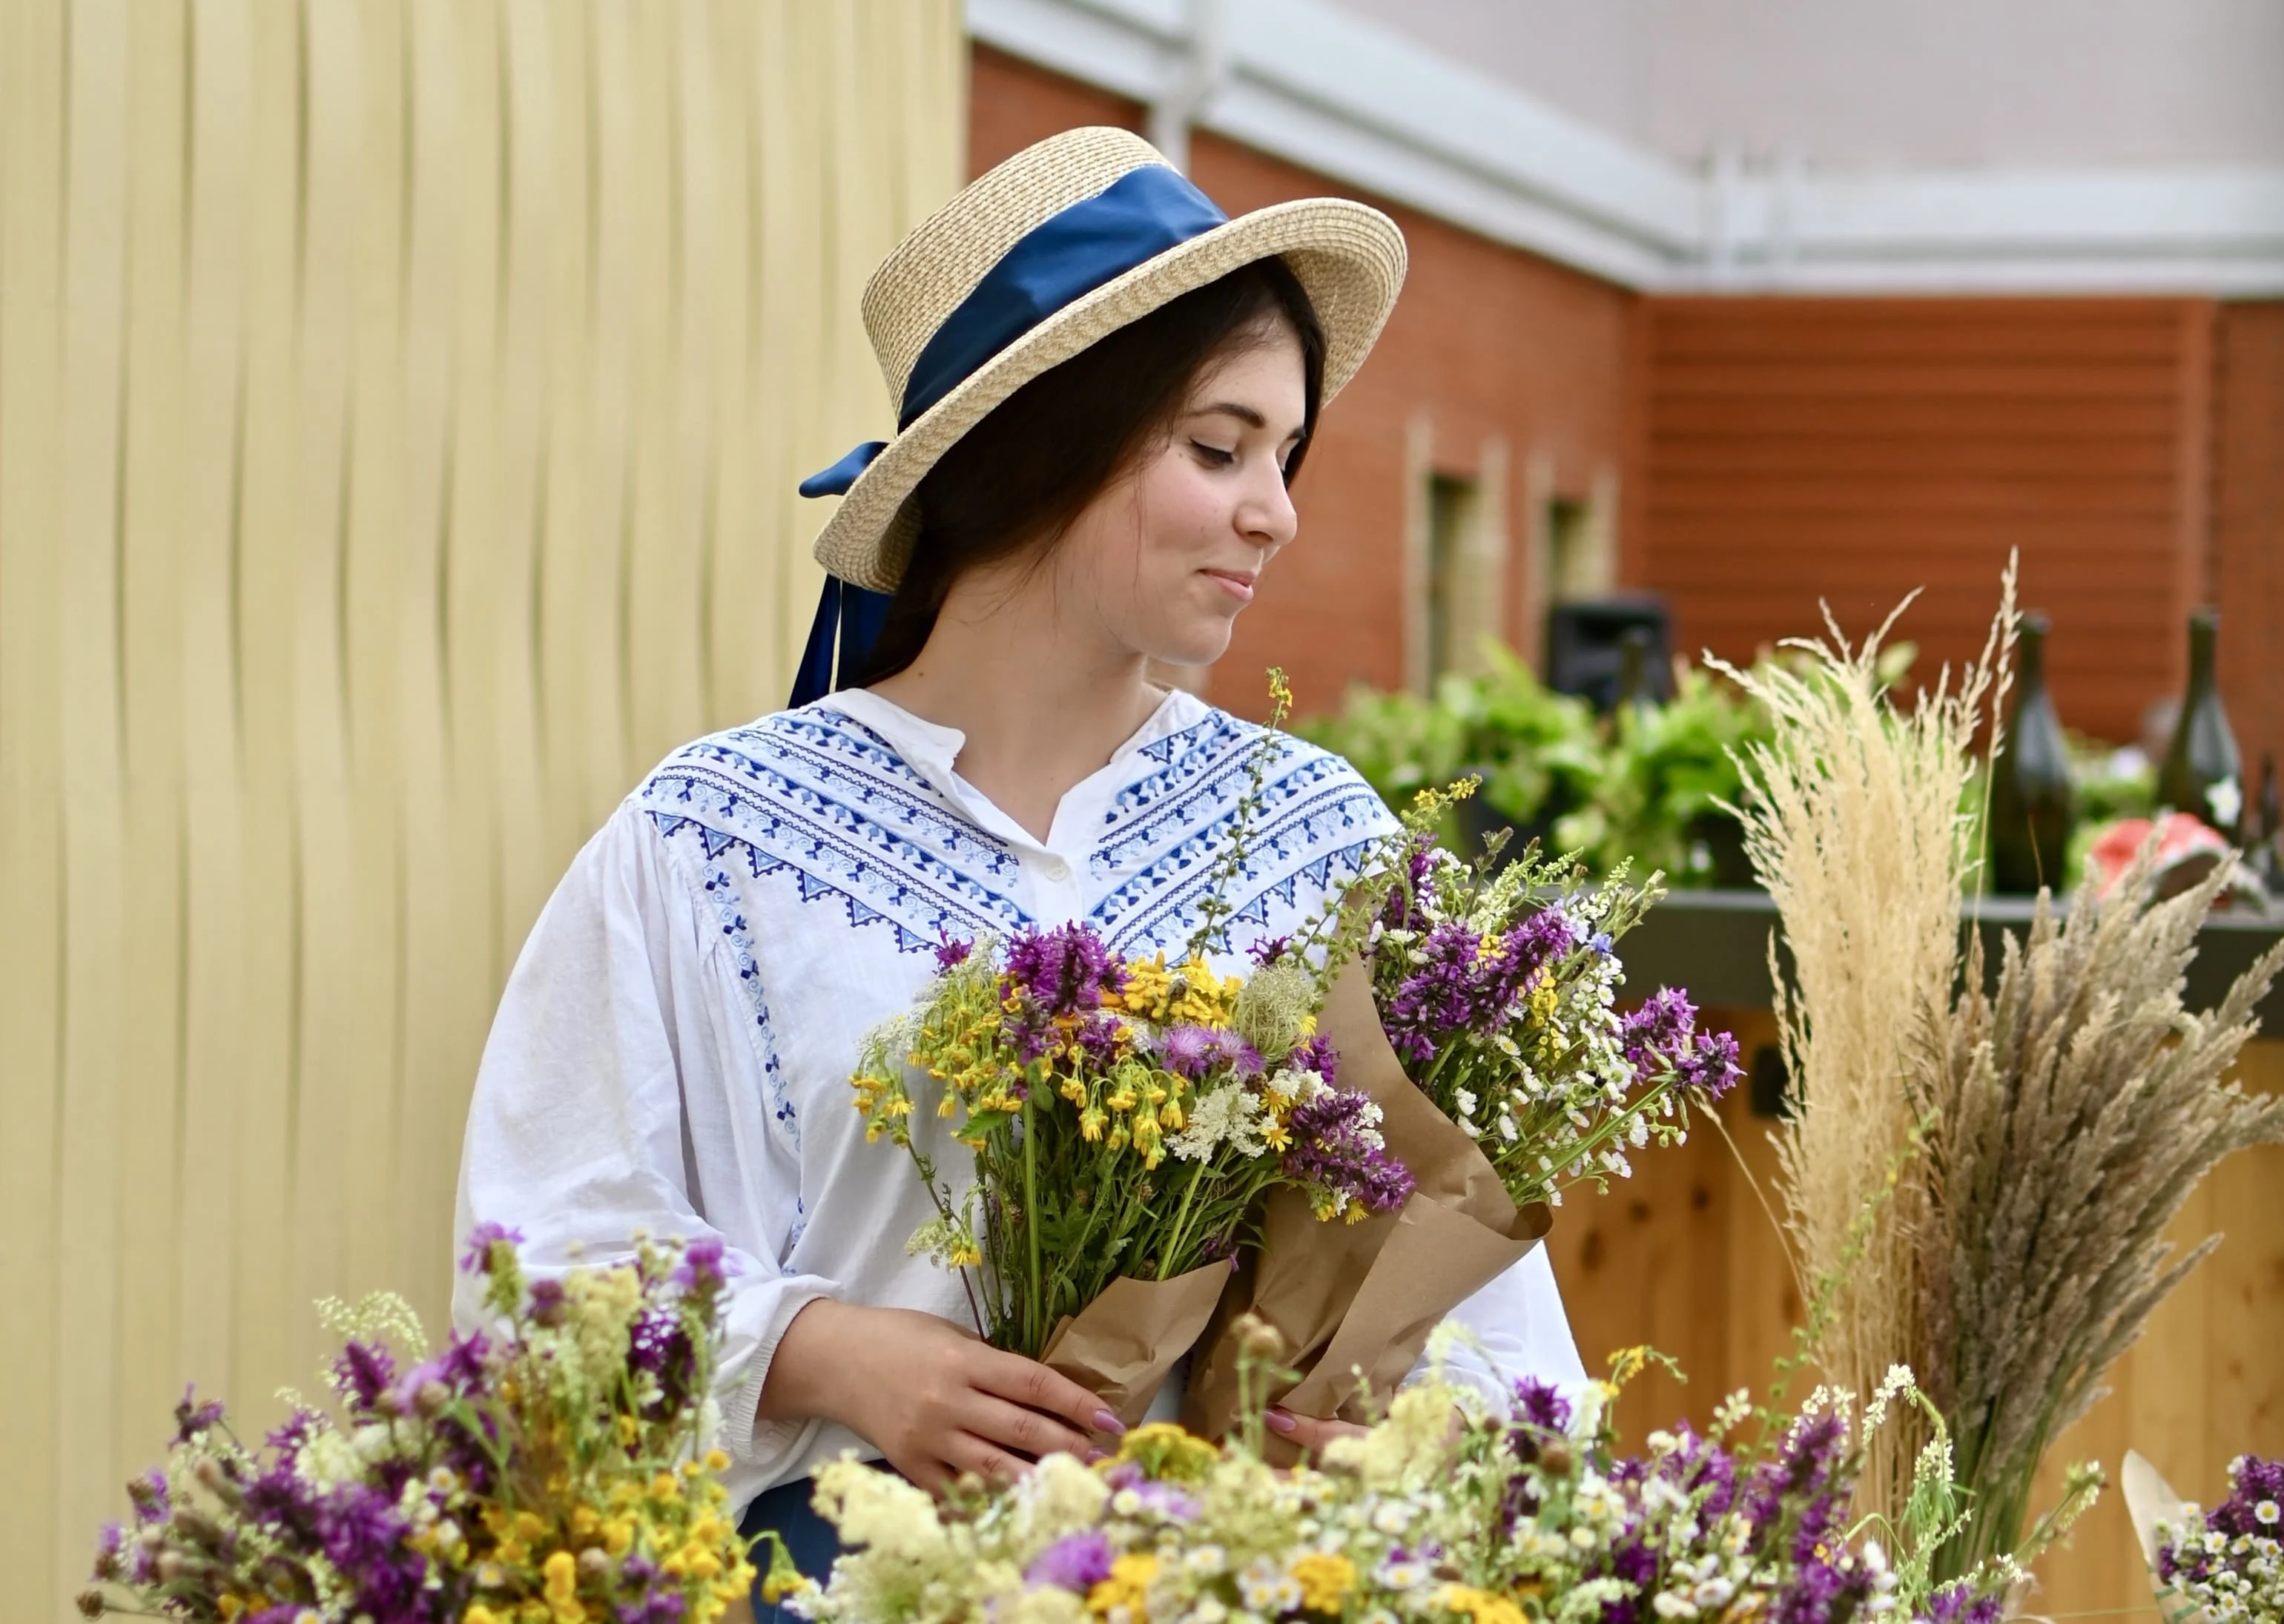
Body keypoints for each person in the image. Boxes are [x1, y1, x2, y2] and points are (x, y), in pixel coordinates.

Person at [450, 127, 1585, 1600]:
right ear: (1046, 433)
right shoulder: (714, 839)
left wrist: (1362, 1431)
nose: (1278, 510)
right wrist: (827, 1349)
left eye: (1286, 455)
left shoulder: (1323, 841)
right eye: (1219, 444)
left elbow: (1501, 1341)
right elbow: (539, 1258)